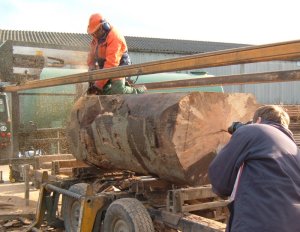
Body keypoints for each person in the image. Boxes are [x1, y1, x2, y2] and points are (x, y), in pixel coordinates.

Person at [208, 105, 300, 232]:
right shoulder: (295, 149)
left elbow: (219, 179)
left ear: (258, 120)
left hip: (256, 223)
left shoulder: (253, 130)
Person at [86, 13, 145, 95]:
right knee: (103, 91)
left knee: (117, 90)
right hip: (104, 67)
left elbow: (112, 64)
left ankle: (140, 91)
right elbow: (91, 54)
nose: (94, 35)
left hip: (120, 65)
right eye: (93, 33)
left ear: (104, 26)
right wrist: (91, 66)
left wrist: (99, 84)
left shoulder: (114, 36)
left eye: (96, 32)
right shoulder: (96, 38)